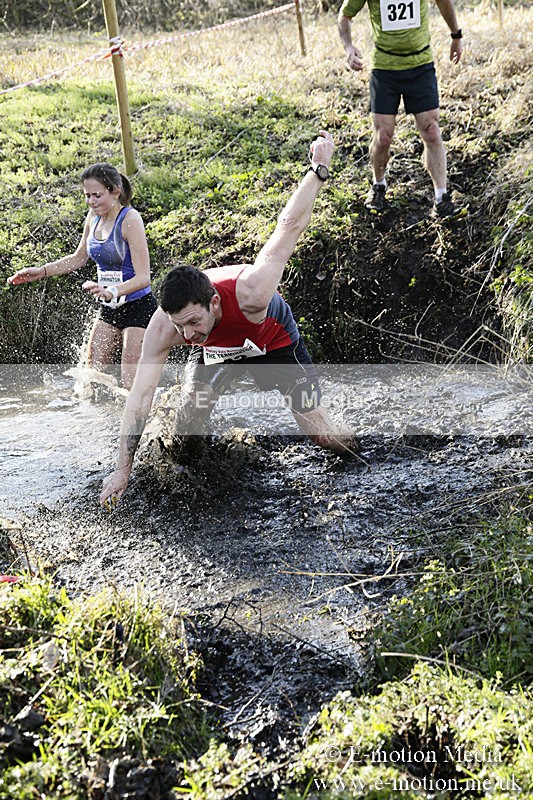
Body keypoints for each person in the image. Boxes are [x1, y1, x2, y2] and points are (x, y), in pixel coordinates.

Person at [100, 131, 356, 508]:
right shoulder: (165, 328)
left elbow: (288, 227)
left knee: (324, 438)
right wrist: (122, 468)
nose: (187, 334)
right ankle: (207, 483)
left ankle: (361, 446)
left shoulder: (252, 292)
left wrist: (317, 170)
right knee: (188, 427)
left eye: (192, 322)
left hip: (273, 342)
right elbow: (139, 398)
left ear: (215, 303)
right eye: (179, 327)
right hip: (220, 350)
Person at [7, 163, 157, 390]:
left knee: (131, 384)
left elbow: (144, 277)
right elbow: (79, 258)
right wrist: (41, 271)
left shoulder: (130, 219)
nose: (91, 201)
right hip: (108, 306)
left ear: (115, 191)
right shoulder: (93, 216)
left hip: (138, 306)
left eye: (97, 195)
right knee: (90, 378)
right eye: (87, 196)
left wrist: (112, 291)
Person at [338, 0, 463, 216]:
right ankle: (378, 185)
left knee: (431, 131)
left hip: (421, 65)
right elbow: (344, 16)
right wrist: (349, 47)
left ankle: (441, 197)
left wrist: (456, 35)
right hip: (385, 70)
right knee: (383, 136)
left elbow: (444, 2)